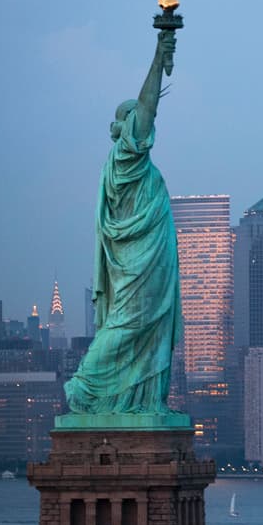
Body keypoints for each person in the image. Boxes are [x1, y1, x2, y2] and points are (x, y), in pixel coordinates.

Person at [65, 26, 182, 414]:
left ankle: (143, 399)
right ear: (129, 125)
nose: (148, 125)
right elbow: (149, 104)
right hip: (137, 263)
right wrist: (160, 49)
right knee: (129, 324)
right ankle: (85, 387)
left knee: (147, 327)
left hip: (148, 260)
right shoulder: (125, 158)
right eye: (139, 119)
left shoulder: (133, 165)